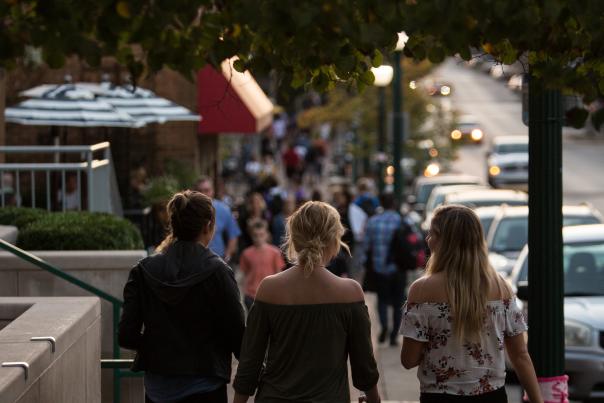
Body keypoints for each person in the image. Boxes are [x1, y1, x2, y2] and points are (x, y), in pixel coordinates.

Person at [233, 201, 381, 403]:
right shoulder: (350, 292)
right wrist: (374, 399)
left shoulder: (269, 289)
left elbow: (250, 362)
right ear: (334, 240)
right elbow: (364, 365)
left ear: (294, 238)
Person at [400, 205, 543, 403]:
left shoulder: (422, 289)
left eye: (432, 234)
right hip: (492, 396)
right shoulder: (501, 287)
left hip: (440, 397)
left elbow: (408, 360)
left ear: (444, 241)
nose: (428, 240)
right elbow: (520, 355)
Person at [118, 190, 246, 403]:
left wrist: (161, 347)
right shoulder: (219, 272)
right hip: (206, 387)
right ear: (208, 226)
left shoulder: (143, 270)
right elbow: (239, 337)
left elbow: (126, 335)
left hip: (158, 389)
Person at [362, 192, 405, 346]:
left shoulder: (373, 221)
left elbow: (366, 245)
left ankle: (384, 326)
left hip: (379, 269)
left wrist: (365, 263)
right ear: (393, 204)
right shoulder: (400, 220)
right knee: (398, 302)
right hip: (398, 268)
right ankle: (394, 334)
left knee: (382, 300)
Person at [239, 219, 285, 310]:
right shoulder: (246, 253)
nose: (258, 238)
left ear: (267, 235)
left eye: (261, 235)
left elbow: (279, 275)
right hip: (250, 294)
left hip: (269, 294)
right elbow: (244, 275)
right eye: (255, 235)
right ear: (251, 236)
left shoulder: (275, 252)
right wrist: (243, 293)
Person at [195, 176, 241, 262]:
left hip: (217, 259)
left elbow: (233, 235)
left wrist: (227, 257)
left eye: (206, 190)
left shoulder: (224, 209)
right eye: (200, 191)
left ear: (213, 191)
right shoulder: (189, 210)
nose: (203, 194)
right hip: (194, 259)